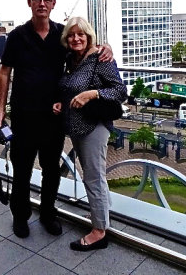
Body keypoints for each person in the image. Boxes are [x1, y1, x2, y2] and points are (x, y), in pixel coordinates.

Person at [0, 0, 112, 239]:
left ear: (54, 4)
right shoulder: (17, 36)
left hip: (53, 117)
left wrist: (106, 48)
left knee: (51, 170)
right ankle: (21, 216)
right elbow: (4, 73)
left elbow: (85, 47)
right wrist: (0, 110)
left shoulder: (62, 35)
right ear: (29, 3)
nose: (42, 3)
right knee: (22, 169)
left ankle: (48, 213)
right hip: (24, 117)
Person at [53, 16, 127, 251]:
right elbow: (69, 88)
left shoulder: (100, 58)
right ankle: (101, 217)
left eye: (80, 34)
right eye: (71, 35)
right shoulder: (71, 59)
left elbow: (120, 90)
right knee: (94, 175)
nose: (76, 38)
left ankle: (99, 232)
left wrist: (92, 94)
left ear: (89, 36)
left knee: (93, 177)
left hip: (93, 127)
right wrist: (60, 103)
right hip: (76, 126)